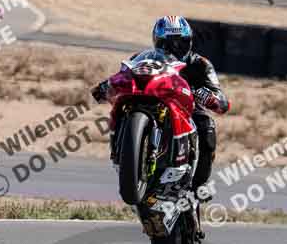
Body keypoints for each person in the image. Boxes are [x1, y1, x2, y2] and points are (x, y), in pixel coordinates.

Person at [91, 15, 230, 201]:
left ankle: (200, 184)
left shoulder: (200, 64)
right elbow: (123, 75)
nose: (175, 48)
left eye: (181, 42)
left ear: (189, 42)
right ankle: (121, 155)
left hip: (186, 106)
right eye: (168, 44)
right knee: (122, 108)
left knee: (206, 125)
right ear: (157, 42)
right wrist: (107, 86)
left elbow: (222, 103)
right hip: (149, 95)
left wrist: (205, 95)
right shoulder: (142, 58)